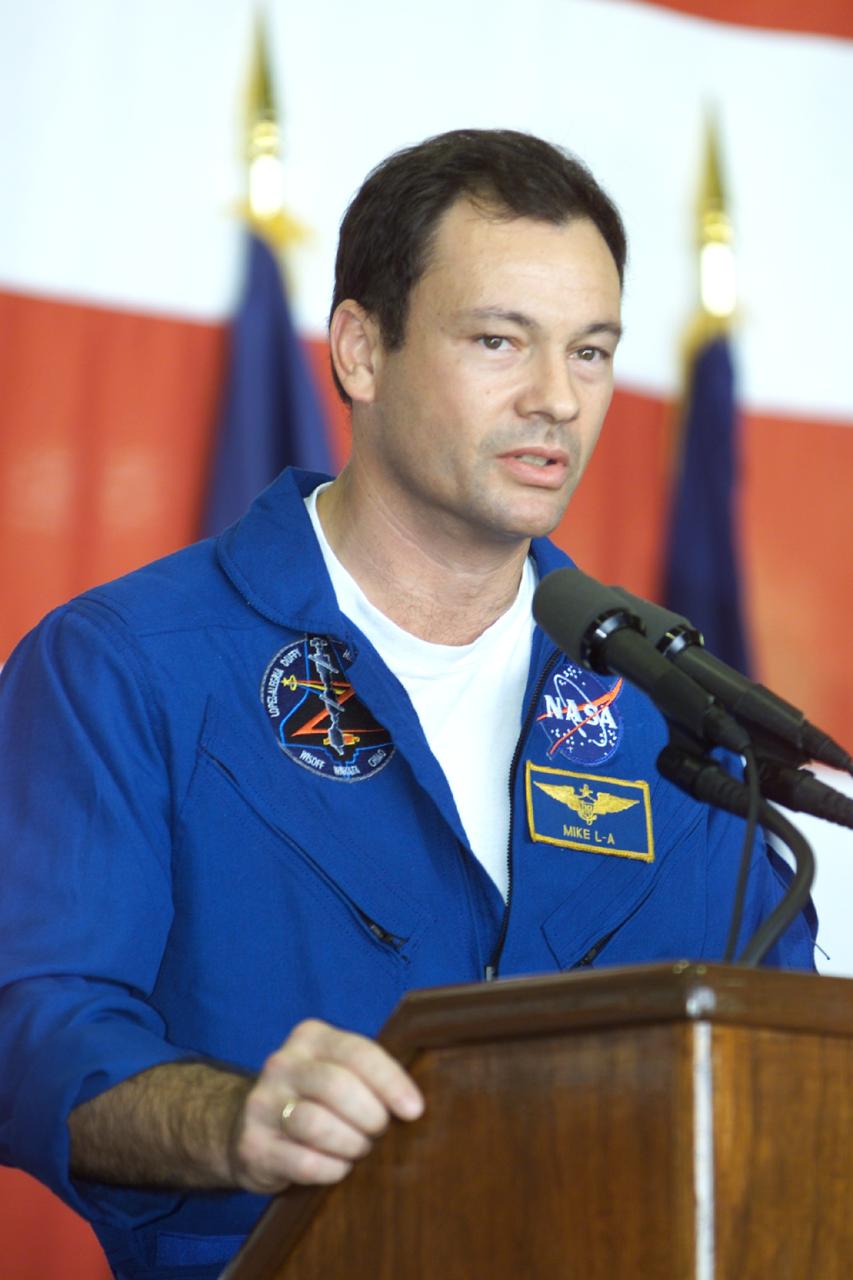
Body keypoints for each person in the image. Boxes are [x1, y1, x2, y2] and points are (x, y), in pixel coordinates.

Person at [0, 130, 815, 1279]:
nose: (556, 400)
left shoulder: (666, 710)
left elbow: (779, 1067)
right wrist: (240, 1118)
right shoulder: (129, 666)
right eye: (499, 340)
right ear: (358, 349)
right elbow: (29, 1028)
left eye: (590, 352)